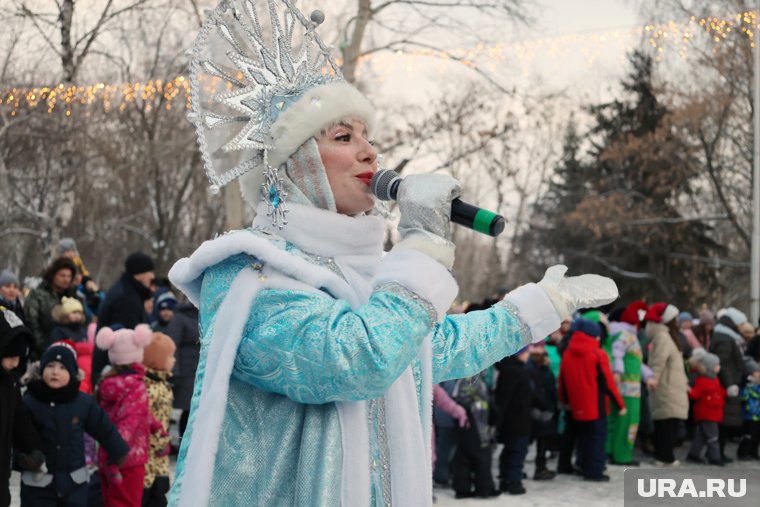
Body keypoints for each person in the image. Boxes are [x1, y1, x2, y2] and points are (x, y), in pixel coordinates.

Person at [166, 1, 618, 505]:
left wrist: (541, 303)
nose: (369, 152)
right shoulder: (250, 277)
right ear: (293, 166)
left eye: (368, 136)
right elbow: (356, 359)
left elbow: (432, 346)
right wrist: (422, 246)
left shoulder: (367, 279)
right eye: (343, 136)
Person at [20, 341, 129, 506]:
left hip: (74, 484)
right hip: (38, 485)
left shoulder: (82, 402)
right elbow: (16, 435)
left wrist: (118, 449)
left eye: (63, 368)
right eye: (50, 366)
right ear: (41, 369)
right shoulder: (30, 402)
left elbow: (103, 427)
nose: (55, 372)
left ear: (72, 373)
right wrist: (22, 459)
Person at [96, 325, 163, 507]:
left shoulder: (107, 383)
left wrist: (156, 427)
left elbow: (138, 413)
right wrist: (118, 451)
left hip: (106, 454)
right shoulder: (136, 385)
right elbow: (130, 419)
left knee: (110, 501)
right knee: (127, 503)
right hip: (127, 457)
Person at [558, 318, 625, 482]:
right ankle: (593, 471)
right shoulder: (597, 354)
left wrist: (565, 401)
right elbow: (607, 383)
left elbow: (563, 381)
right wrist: (620, 404)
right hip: (596, 406)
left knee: (583, 438)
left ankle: (581, 464)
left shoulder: (567, 353)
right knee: (596, 438)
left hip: (576, 405)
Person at [0, 307, 45, 507]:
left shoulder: (10, 383)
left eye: (20, 357)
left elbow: (19, 419)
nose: (15, 362)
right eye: (10, 355)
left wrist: (32, 447)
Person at [92, 253, 156, 381]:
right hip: (118, 376)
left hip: (112, 372)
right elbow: (124, 340)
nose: (152, 276)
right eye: (149, 271)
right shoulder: (127, 298)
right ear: (139, 274)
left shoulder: (127, 291)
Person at [605, 301, 654, 466]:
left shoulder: (614, 334)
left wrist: (648, 376)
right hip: (629, 388)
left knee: (615, 420)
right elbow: (618, 355)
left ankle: (610, 451)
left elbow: (634, 361)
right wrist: (618, 372)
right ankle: (622, 455)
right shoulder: (627, 335)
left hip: (620, 387)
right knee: (628, 422)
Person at [645, 303, 689, 467]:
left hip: (672, 385)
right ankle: (664, 456)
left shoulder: (667, 335)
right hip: (666, 386)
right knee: (667, 423)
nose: (678, 320)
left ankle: (664, 455)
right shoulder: (663, 337)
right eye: (675, 317)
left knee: (669, 422)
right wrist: (654, 378)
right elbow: (658, 360)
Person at [450, 371, 499, 498]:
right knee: (482, 457)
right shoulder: (473, 380)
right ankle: (485, 488)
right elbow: (482, 403)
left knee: (463, 457)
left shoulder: (462, 378)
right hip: (477, 424)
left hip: (463, 423)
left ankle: (462, 489)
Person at [142, 333, 176, 507]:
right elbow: (146, 420)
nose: (174, 360)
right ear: (157, 360)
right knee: (151, 494)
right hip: (149, 454)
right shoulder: (150, 388)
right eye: (170, 356)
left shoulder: (161, 383)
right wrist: (160, 443)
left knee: (160, 489)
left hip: (158, 453)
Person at [709, 307, 747, 462]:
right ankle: (716, 453)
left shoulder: (726, 337)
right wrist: (730, 383)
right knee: (722, 422)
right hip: (726, 386)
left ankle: (719, 452)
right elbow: (723, 363)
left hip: (729, 383)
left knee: (724, 421)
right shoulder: (725, 338)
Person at [494, 346, 533, 494]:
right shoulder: (516, 372)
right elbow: (505, 398)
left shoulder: (508, 369)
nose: (528, 354)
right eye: (526, 351)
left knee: (510, 450)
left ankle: (506, 478)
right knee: (517, 451)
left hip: (511, 419)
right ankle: (513, 481)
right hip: (518, 419)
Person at [25, 258, 78, 359]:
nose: (66, 279)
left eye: (69, 276)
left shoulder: (73, 297)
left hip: (70, 350)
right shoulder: (37, 295)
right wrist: (44, 347)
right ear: (53, 275)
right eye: (62, 275)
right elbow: (31, 322)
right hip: (42, 351)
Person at [164, 302, 198, 442]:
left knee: (195, 409)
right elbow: (172, 345)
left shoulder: (202, 316)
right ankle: (183, 442)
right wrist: (175, 372)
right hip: (185, 370)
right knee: (189, 409)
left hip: (198, 369)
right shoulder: (179, 318)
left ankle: (190, 443)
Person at [525, 343, 558, 480]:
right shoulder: (533, 369)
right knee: (534, 440)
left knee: (541, 440)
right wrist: (546, 407)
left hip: (543, 409)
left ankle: (540, 467)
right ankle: (539, 468)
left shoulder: (541, 368)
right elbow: (537, 390)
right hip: (539, 409)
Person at [737, 358, 760, 460]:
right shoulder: (747, 386)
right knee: (749, 435)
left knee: (756, 437)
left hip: (757, 416)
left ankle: (753, 452)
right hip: (750, 416)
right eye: (757, 372)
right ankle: (743, 452)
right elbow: (746, 397)